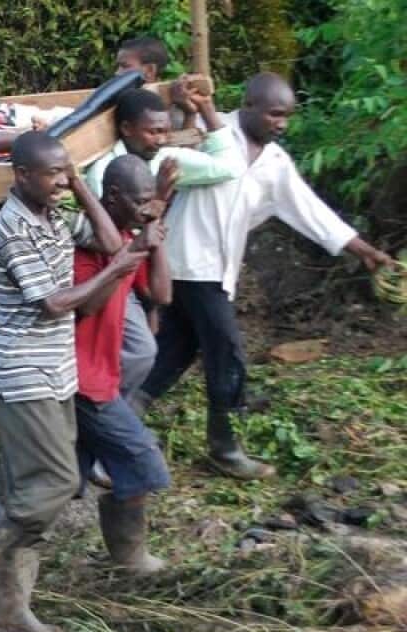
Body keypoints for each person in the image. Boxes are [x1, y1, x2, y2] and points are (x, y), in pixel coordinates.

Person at [0, 132, 147, 632]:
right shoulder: (13, 228)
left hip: (55, 370)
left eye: (64, 172)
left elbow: (112, 243)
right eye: (51, 174)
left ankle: (11, 608)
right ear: (21, 176)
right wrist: (116, 271)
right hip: (23, 372)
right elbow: (52, 303)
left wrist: (78, 184)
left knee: (28, 490)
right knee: (53, 483)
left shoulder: (53, 215)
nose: (60, 182)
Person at [135, 72, 394, 479]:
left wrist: (365, 252)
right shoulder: (208, 129)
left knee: (176, 349)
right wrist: (187, 104)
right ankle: (225, 446)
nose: (282, 124)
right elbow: (161, 136)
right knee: (228, 352)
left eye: (287, 116)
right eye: (275, 114)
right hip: (186, 259)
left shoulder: (274, 163)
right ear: (249, 106)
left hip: (217, 269)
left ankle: (113, 429)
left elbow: (312, 212)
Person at [82, 87, 244, 401]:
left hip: (141, 274)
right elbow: (113, 238)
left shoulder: (161, 160)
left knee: (142, 351)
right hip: (107, 273)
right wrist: (158, 199)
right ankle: (104, 413)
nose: (159, 139)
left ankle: (116, 411)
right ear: (127, 129)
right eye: (153, 132)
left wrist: (207, 110)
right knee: (125, 350)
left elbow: (229, 167)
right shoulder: (106, 171)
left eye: (165, 132)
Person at [72, 155, 173, 573]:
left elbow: (163, 294)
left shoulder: (130, 234)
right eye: (141, 200)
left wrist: (155, 238)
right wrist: (130, 252)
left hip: (101, 378)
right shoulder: (84, 243)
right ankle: (130, 557)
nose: (149, 208)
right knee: (142, 460)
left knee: (61, 485)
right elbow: (87, 306)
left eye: (153, 200)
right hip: (80, 380)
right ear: (112, 197)